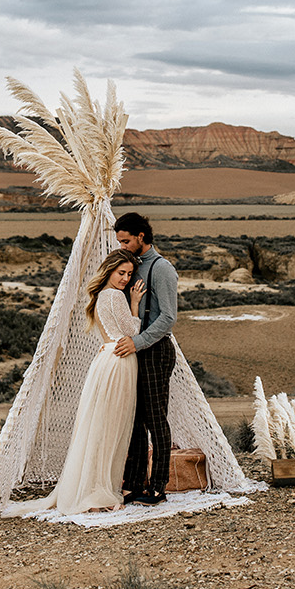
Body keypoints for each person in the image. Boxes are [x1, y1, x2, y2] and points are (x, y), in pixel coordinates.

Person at [3, 249, 145, 516]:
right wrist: (135, 303)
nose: (125, 279)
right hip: (119, 360)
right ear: (109, 271)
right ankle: (97, 489)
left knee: (99, 425)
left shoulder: (101, 295)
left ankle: (91, 485)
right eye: (121, 273)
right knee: (111, 427)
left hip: (106, 358)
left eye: (128, 274)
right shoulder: (115, 296)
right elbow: (132, 332)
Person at [112, 212, 178, 505]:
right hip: (135, 352)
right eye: (119, 242)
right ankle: (134, 484)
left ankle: (158, 487)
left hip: (154, 351)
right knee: (135, 420)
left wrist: (137, 342)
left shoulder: (162, 269)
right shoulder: (130, 266)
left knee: (155, 420)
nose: (123, 246)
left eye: (126, 241)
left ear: (141, 236)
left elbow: (168, 318)